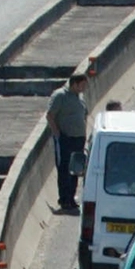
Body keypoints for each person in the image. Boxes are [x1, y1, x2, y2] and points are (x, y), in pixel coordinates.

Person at [46, 72, 90, 213]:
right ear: (74, 84)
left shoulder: (79, 97)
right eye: (82, 85)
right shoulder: (60, 96)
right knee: (64, 169)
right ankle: (64, 200)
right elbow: (50, 115)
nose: (84, 88)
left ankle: (71, 198)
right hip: (66, 138)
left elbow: (84, 114)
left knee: (76, 169)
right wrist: (58, 135)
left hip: (78, 138)